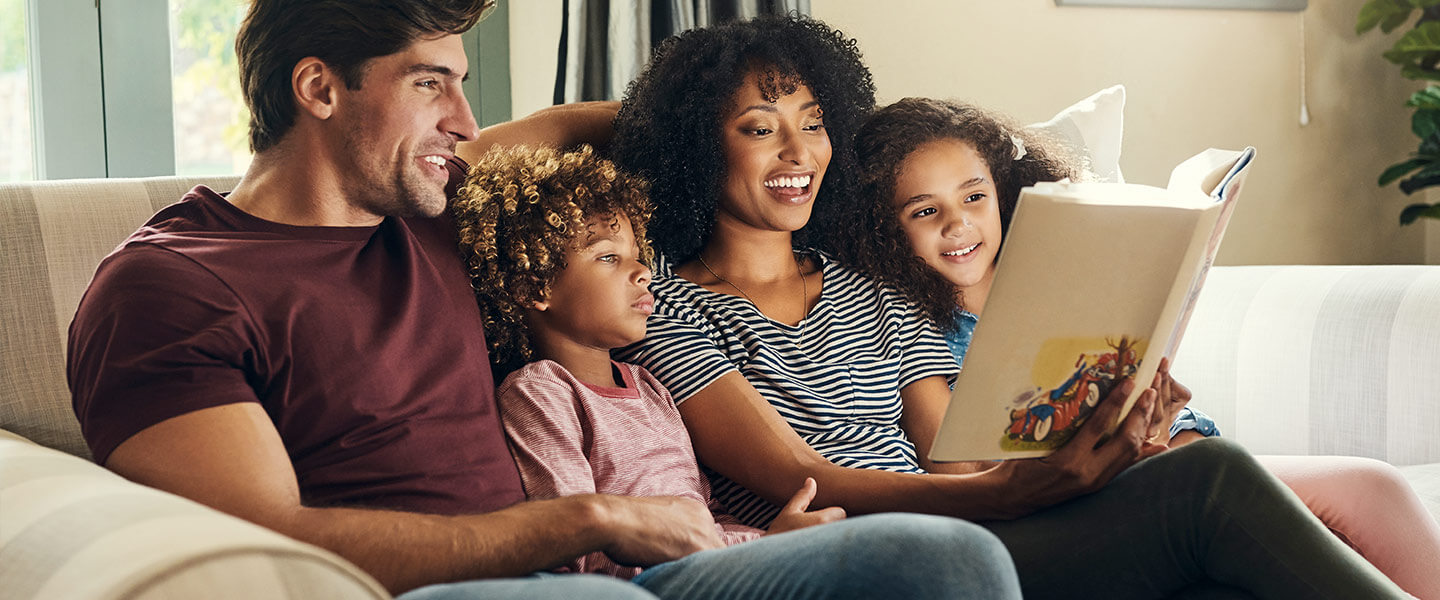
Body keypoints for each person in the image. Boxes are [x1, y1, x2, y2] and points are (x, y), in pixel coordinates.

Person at [62, 2, 1015, 598]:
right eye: (431, 84)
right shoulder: (170, 287)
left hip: (649, 563)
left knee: (944, 560)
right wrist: (584, 522)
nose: (467, 122)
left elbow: (587, 127)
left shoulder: (442, 207)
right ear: (318, 87)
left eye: (463, 85)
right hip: (492, 581)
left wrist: (758, 135)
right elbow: (264, 543)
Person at [607, 14, 1411, 599]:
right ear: (696, 147)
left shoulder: (869, 284)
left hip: (975, 524)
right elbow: (801, 477)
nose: (798, 153)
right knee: (1212, 486)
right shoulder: (669, 307)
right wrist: (1004, 495)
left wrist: (1107, 439)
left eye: (814, 124)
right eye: (758, 128)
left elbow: (950, 451)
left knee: (1207, 489)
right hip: (881, 557)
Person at [844, 96, 1440, 599]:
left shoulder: (1060, 270)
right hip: (1071, 492)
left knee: (1372, 484)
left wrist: (1155, 403)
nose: (958, 224)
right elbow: (955, 465)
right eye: (926, 211)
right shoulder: (909, 322)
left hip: (1156, 452)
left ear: (1001, 190)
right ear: (884, 230)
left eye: (973, 197)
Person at [447, 143, 1022, 596]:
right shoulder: (542, 392)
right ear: (532, 286)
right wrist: (763, 550)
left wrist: (768, 541)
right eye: (609, 258)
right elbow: (571, 542)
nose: (642, 273)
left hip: (723, 557)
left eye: (639, 256)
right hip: (652, 579)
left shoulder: (647, 388)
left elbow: (706, 511)